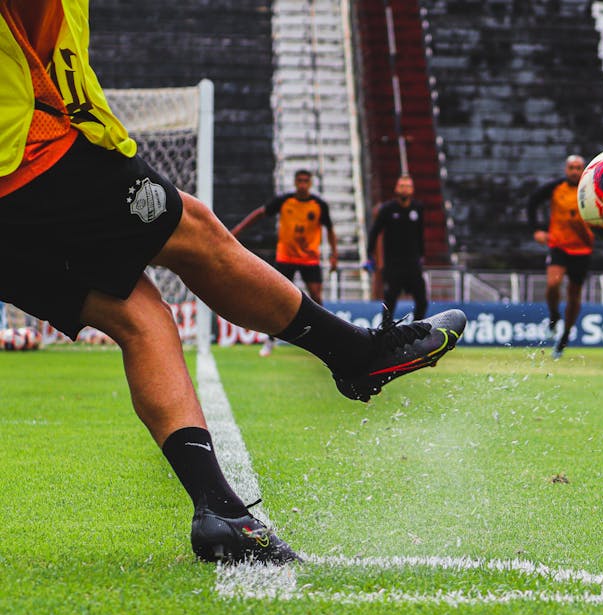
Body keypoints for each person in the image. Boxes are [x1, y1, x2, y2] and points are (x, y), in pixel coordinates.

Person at [0, 0, 466, 565]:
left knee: (140, 318)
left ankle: (221, 512)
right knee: (193, 232)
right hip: (27, 156)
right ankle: (355, 354)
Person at [231, 169, 338, 356]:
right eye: (300, 181)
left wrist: (333, 255)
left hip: (309, 258)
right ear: (295, 182)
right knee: (275, 298)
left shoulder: (319, 205)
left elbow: (330, 229)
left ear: (310, 183)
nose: (303, 184)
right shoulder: (284, 201)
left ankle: (325, 338)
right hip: (286, 257)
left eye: (306, 181)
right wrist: (238, 230)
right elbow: (260, 213)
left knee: (316, 296)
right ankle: (270, 339)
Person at [527, 155, 593, 359]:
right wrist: (537, 229)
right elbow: (532, 203)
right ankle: (554, 317)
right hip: (559, 246)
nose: (575, 171)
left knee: (574, 295)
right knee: (553, 284)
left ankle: (564, 337)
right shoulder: (555, 188)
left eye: (578, 168)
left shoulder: (592, 189)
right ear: (566, 169)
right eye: (571, 167)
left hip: (583, 249)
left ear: (584, 170)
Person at [365, 175, 428, 329]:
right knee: (390, 302)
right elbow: (374, 232)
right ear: (396, 189)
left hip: (413, 264)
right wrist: (369, 255)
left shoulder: (418, 208)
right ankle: (385, 333)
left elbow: (420, 234)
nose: (404, 188)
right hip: (393, 265)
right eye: (401, 185)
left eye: (407, 186)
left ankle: (415, 330)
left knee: (422, 301)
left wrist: (421, 255)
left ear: (412, 190)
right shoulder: (387, 209)